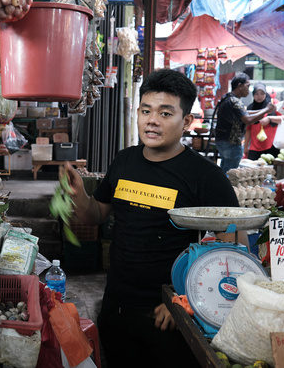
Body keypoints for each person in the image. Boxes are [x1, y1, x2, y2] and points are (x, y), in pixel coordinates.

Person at [63, 69, 246, 368]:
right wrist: (79, 195)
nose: (152, 120)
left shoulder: (206, 177)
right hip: (117, 303)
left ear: (186, 121)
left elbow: (234, 249)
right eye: (146, 111)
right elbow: (96, 215)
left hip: (168, 316)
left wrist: (186, 302)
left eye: (165, 113)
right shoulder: (125, 160)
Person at [214, 72, 275, 173]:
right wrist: (266, 110)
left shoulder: (228, 98)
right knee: (231, 174)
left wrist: (265, 110)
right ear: (240, 86)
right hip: (231, 143)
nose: (249, 89)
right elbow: (248, 119)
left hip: (222, 141)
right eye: (247, 86)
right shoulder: (235, 101)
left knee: (224, 170)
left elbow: (245, 112)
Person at [244, 83, 284, 160]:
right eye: (256, 94)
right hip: (254, 147)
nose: (259, 96)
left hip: (272, 146)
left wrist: (270, 119)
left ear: (265, 94)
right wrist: (245, 147)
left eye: (262, 93)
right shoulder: (250, 108)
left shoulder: (273, 104)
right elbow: (248, 129)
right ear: (253, 95)